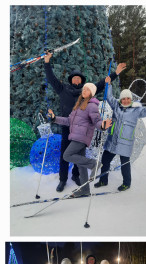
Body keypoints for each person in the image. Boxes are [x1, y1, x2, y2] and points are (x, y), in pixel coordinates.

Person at [44, 51, 126, 192]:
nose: (76, 80)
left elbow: (101, 84)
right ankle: (63, 180)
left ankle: (77, 177)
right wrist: (46, 62)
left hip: (81, 131)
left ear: (82, 82)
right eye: (74, 78)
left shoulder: (86, 94)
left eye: (79, 79)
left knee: (77, 156)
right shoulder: (63, 89)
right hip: (67, 127)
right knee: (65, 155)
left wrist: (115, 73)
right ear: (71, 80)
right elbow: (51, 79)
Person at [93, 76, 146, 192]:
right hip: (112, 141)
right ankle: (103, 180)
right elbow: (109, 97)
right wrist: (108, 85)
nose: (125, 100)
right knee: (105, 161)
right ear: (120, 99)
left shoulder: (136, 110)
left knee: (125, 164)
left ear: (131, 100)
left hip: (125, 143)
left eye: (128, 99)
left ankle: (126, 183)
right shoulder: (116, 106)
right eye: (123, 98)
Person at [48, 83, 112, 197]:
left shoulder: (92, 106)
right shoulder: (78, 105)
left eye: (87, 89)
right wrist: (54, 118)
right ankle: (85, 190)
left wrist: (102, 125)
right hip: (76, 136)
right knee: (81, 166)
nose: (84, 90)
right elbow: (68, 121)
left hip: (81, 137)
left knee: (66, 155)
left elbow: (97, 121)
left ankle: (94, 164)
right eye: (84, 89)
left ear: (91, 93)